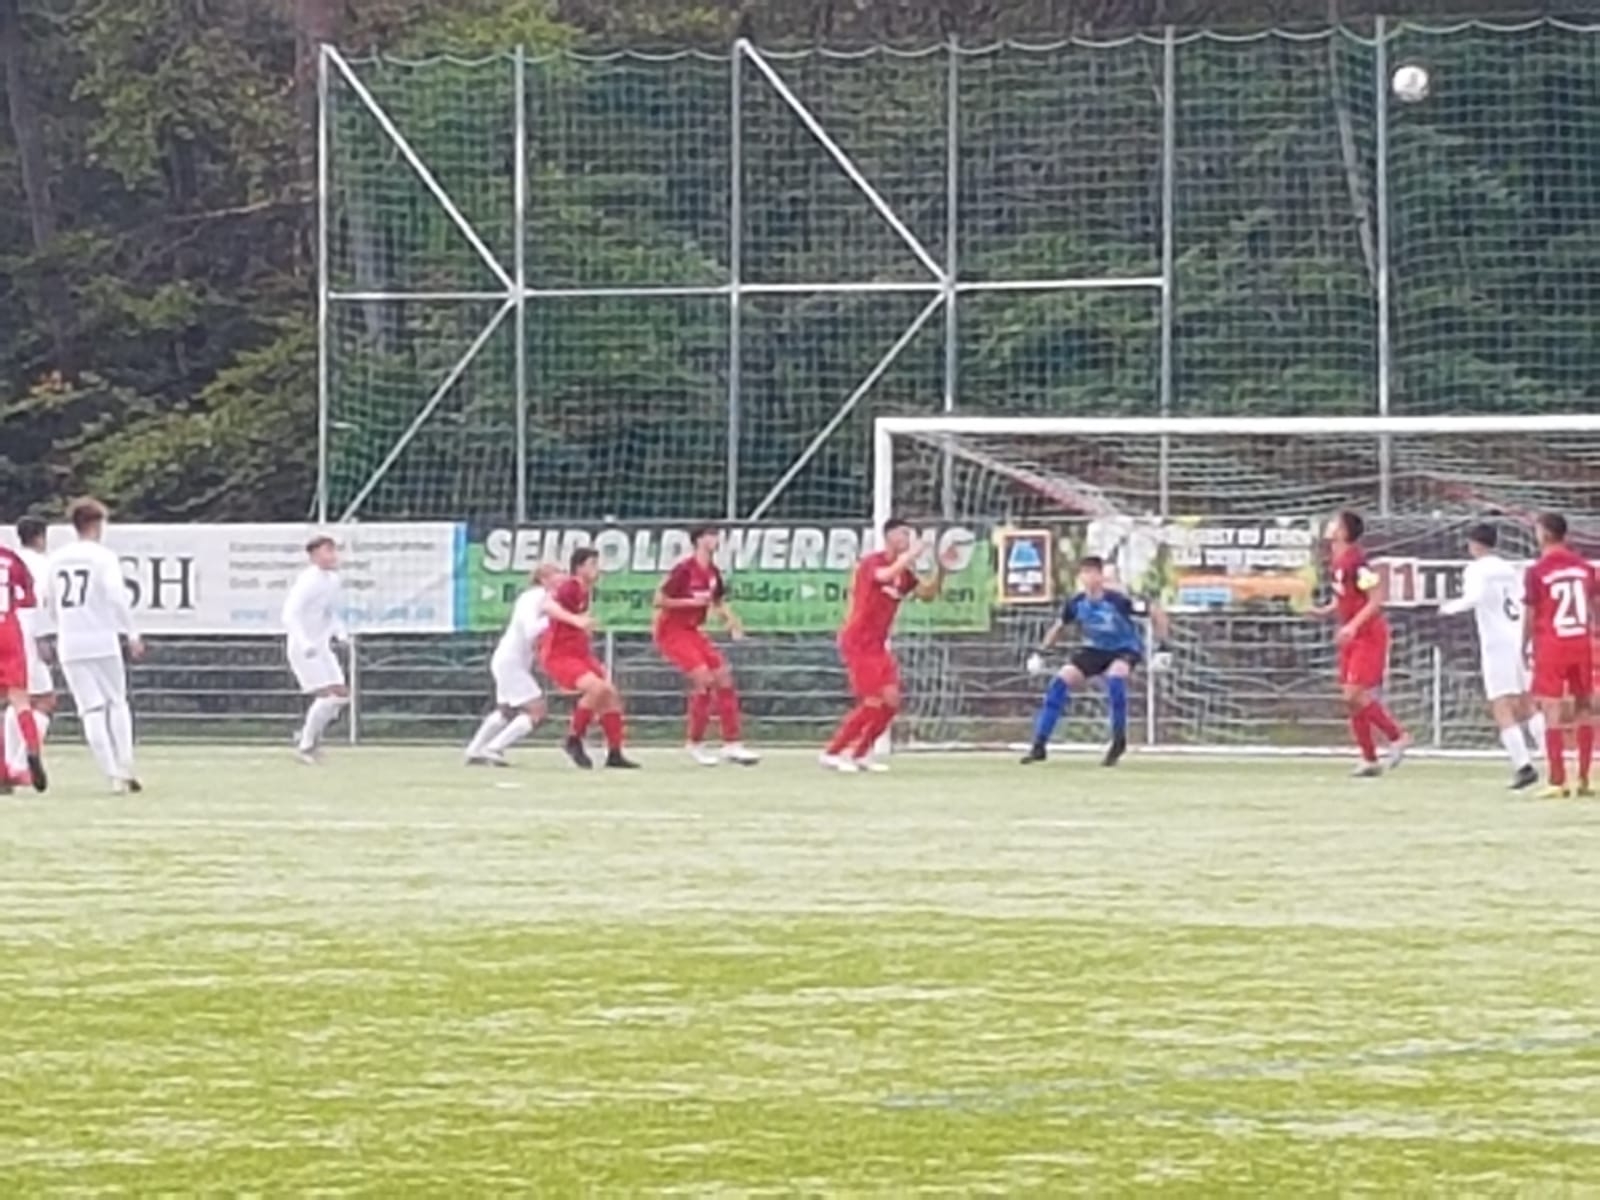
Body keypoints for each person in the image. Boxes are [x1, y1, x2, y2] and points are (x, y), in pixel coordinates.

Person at [821, 517, 943, 773]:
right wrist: (911, 555)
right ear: (889, 536)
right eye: (903, 534)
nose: (907, 539)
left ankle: (860, 753)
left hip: (877, 644)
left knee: (892, 701)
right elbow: (884, 575)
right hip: (858, 640)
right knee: (873, 701)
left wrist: (942, 569)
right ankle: (833, 752)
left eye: (909, 535)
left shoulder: (904, 574)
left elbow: (927, 594)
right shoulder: (872, 563)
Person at [1021, 556, 1169, 767]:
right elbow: (1059, 626)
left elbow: (1155, 611)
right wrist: (1041, 652)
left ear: (1101, 576)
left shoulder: (1117, 600)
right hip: (1094, 650)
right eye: (1085, 573)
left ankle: (1118, 740)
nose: (1089, 578)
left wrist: (1163, 647)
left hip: (1124, 649)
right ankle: (1039, 745)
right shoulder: (1076, 604)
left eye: (1093, 573)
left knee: (1115, 678)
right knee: (1060, 681)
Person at [1439, 523, 1543, 790]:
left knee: (1501, 704)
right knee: (1527, 702)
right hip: (1519, 637)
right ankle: (1552, 759)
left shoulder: (1476, 569)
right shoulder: (1509, 569)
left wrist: (1448, 608)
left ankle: (1523, 766)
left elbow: (1473, 597)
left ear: (1474, 543)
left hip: (1497, 643)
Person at [50, 498, 143, 793]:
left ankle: (111, 773)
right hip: (102, 639)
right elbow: (116, 596)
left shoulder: (57, 559)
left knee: (90, 709)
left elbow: (48, 601)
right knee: (116, 701)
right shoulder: (103, 557)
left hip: (70, 641)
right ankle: (126, 765)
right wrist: (131, 632)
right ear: (96, 524)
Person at [1311, 510, 1409, 777]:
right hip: (1351, 636)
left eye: (1334, 522)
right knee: (1351, 700)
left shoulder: (1358, 561)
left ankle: (1398, 736)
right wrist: (1325, 610)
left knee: (1355, 694)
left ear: (1344, 532)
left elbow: (1376, 597)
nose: (1329, 525)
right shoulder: (1337, 560)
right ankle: (1369, 759)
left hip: (1368, 635)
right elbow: (1345, 596)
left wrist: (1353, 625)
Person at [654, 525, 758, 767]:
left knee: (724, 678)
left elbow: (717, 601)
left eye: (716, 536)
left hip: (692, 631)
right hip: (672, 632)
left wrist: (732, 622)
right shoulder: (684, 569)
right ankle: (695, 742)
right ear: (699, 540)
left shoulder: (712, 572)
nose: (715, 540)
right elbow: (659, 600)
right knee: (704, 679)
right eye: (710, 536)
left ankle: (732, 743)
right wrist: (690, 602)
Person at [539, 548, 638, 770]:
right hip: (560, 655)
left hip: (580, 653)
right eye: (592, 564)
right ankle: (573, 739)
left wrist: (582, 628)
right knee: (597, 689)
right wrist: (575, 620)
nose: (597, 569)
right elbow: (547, 606)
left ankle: (615, 753)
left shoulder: (585, 590)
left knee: (610, 694)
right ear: (579, 567)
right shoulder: (571, 586)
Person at [1523, 512, 1596, 799]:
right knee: (1584, 707)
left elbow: (1530, 613)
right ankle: (1585, 778)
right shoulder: (1584, 567)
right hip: (1580, 640)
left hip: (1552, 643)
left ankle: (1557, 780)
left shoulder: (1537, 571)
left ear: (1545, 533)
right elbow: (1593, 604)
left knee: (1551, 708)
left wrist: (1524, 644)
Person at [464, 563, 562, 766]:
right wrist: (555, 620)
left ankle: (475, 749)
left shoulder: (541, 597)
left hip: (510, 659)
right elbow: (530, 630)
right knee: (537, 710)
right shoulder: (535, 597)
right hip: (511, 661)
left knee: (506, 711)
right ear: (543, 579)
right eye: (557, 573)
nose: (562, 577)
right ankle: (494, 748)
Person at [282, 534, 349, 764]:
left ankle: (307, 737)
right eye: (326, 551)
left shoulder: (333, 580)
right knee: (328, 696)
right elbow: (290, 614)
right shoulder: (308, 581)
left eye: (333, 550)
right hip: (304, 649)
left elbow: (330, 612)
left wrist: (340, 633)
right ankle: (306, 746)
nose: (332, 556)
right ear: (313, 556)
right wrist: (304, 642)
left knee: (340, 696)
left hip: (322, 646)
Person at [0, 541, 44, 793]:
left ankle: (2, 773)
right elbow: (28, 595)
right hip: (8, 630)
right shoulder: (9, 557)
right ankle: (32, 748)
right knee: (20, 700)